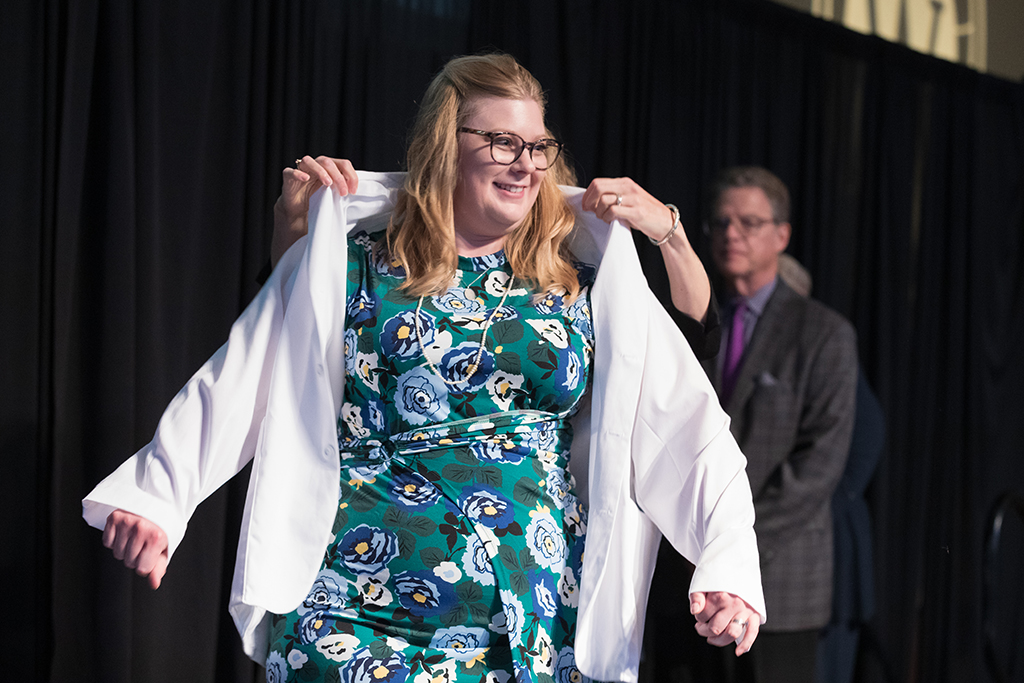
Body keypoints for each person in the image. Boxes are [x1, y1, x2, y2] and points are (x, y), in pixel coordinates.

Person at [83, 54, 765, 683]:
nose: (525, 164)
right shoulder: (352, 263)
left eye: (537, 147)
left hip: (531, 616)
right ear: (447, 143)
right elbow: (241, 377)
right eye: (502, 141)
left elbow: (686, 421)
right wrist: (158, 496)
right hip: (357, 605)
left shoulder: (578, 283)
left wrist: (728, 564)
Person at [679, 166, 857, 683]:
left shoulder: (823, 333)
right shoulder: (692, 322)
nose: (731, 233)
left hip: (780, 580)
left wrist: (731, 550)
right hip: (689, 581)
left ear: (782, 235)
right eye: (721, 223)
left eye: (749, 222)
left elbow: (818, 468)